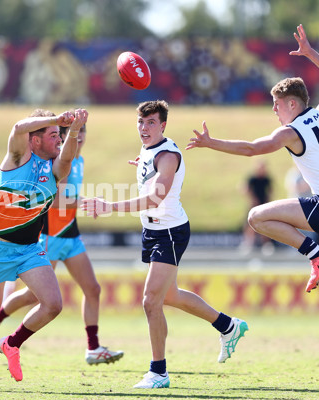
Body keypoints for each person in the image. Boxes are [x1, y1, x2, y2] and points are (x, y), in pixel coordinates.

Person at [186, 24, 319, 369]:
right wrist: (312, 54)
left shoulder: (291, 130)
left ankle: (315, 253)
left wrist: (212, 142)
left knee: (257, 218)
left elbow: (254, 149)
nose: (274, 111)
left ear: (293, 103)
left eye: (277, 104)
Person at [81, 100, 248, 389]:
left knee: (150, 300)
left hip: (170, 232)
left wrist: (108, 205)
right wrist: (144, 165)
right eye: (141, 123)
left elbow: (155, 198)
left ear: (163, 125)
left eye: (151, 123)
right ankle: (227, 325)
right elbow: (151, 173)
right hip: (153, 232)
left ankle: (158, 372)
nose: (144, 128)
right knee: (169, 296)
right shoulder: (149, 151)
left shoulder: (168, 155)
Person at [0, 108, 88, 391]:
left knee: (53, 305)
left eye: (59, 137)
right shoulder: (17, 158)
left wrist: (73, 128)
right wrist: (55, 120)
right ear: (34, 141)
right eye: (53, 137)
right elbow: (17, 126)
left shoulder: (56, 169)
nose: (58, 141)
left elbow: (69, 155)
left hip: (28, 249)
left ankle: (12, 343)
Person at [0, 124, 124, 366]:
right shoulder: (59, 160)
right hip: (50, 236)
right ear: (64, 137)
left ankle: (93, 348)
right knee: (32, 296)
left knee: (93, 289)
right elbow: (55, 201)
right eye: (76, 132)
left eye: (84, 131)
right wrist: (89, 202)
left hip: (71, 236)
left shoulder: (80, 160)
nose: (81, 136)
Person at [240, 160, 274, 255]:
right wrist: (252, 199)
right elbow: (245, 188)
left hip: (263, 204)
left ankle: (266, 244)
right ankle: (248, 243)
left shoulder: (267, 179)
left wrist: (269, 201)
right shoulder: (252, 178)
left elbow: (270, 191)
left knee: (265, 224)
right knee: (249, 224)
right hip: (254, 205)